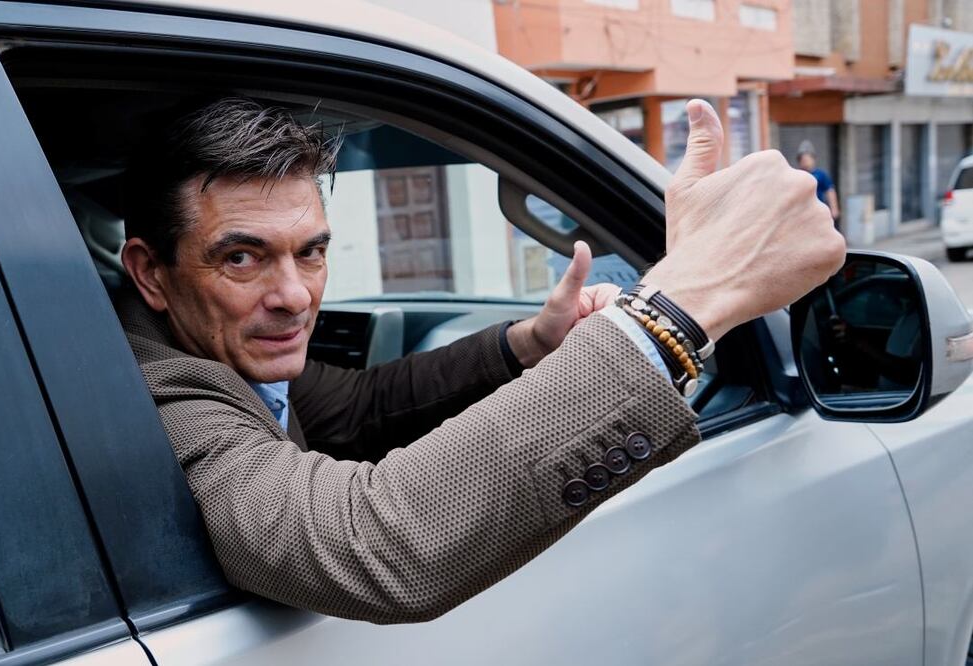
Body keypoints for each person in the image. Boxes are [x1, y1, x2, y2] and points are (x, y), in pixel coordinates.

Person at [117, 96, 844, 624]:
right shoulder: (146, 389)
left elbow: (361, 408)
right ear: (151, 273)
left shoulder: (223, 350)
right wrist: (677, 312)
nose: (292, 296)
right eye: (240, 257)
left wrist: (528, 344)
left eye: (310, 252)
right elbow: (373, 541)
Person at [797, 140, 840, 223]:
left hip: (818, 211)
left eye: (807, 159)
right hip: (802, 212)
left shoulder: (821, 174)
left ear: (813, 159)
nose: (805, 161)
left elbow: (830, 191)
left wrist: (834, 208)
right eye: (803, 159)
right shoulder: (798, 175)